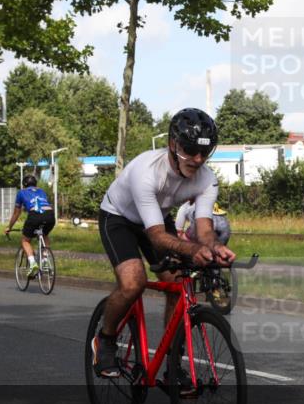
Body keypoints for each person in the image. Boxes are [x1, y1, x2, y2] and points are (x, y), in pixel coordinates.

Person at [93, 108, 235, 378]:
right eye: (190, 150)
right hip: (118, 217)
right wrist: (194, 249)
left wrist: (215, 247)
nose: (198, 159)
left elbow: (204, 229)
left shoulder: (207, 179)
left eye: (204, 152)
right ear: (173, 144)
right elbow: (157, 237)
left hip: (157, 216)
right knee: (133, 282)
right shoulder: (147, 171)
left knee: (178, 284)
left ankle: (172, 364)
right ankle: (106, 340)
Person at [4, 175, 55, 278]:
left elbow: (16, 213)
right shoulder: (41, 191)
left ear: (24, 184)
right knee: (45, 235)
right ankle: (45, 260)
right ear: (35, 184)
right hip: (50, 215)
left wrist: (9, 227)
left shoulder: (21, 192)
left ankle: (33, 264)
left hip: (35, 215)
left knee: (25, 241)